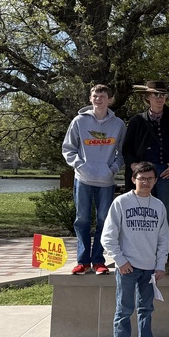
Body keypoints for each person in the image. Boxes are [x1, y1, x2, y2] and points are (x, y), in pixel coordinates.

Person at [100, 162, 169, 337]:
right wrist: (120, 261)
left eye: (150, 178)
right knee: (124, 310)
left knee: (146, 309)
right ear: (133, 179)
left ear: (155, 180)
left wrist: (160, 265)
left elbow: (163, 239)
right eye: (142, 178)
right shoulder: (121, 203)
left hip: (149, 269)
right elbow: (108, 237)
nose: (146, 182)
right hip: (128, 267)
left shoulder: (158, 206)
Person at [122, 80, 169, 267]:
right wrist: (135, 166)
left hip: (167, 173)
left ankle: (166, 257)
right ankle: (141, 256)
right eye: (155, 94)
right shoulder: (137, 121)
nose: (159, 98)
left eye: (162, 95)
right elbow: (127, 149)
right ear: (147, 97)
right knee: (141, 216)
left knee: (167, 216)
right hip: (144, 173)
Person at [62, 84, 126, 275]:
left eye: (103, 96)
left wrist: (112, 169)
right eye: (95, 96)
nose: (99, 99)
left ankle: (99, 260)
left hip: (106, 182)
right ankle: (82, 261)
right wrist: (80, 165)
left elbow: (123, 153)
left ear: (109, 99)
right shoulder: (79, 121)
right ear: (90, 98)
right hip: (83, 179)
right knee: (81, 219)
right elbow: (68, 148)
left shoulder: (118, 124)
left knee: (103, 220)